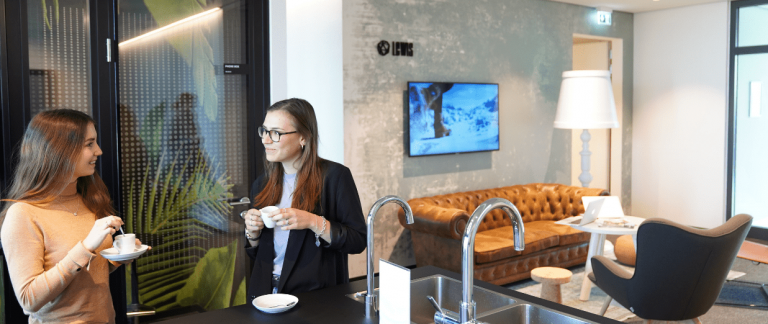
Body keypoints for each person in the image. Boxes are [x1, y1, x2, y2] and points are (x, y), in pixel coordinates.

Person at [0, 109, 146, 324]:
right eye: (89, 144)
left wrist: (118, 259)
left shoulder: (89, 199)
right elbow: (29, 299)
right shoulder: (23, 214)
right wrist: (86, 246)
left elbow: (81, 277)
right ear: (60, 149)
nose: (99, 151)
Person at [243, 98, 366, 298]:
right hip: (265, 294)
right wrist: (252, 233)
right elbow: (258, 254)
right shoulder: (261, 184)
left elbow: (357, 241)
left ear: (304, 137)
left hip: (314, 298)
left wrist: (312, 221)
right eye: (264, 131)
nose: (265, 140)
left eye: (276, 133)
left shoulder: (334, 177)